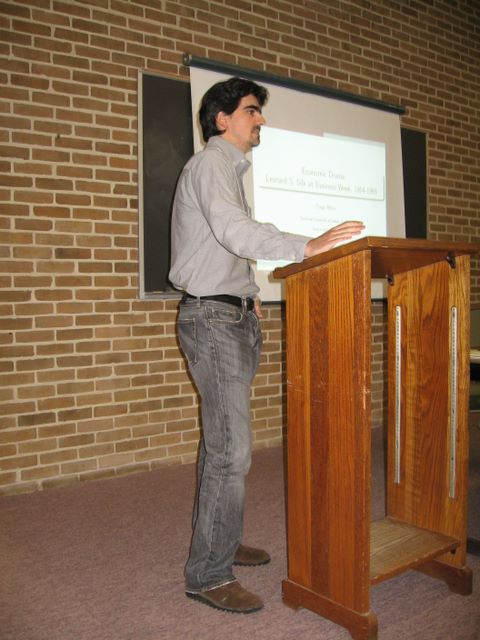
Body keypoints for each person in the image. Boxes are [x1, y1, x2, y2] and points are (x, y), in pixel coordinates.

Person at [169, 76, 364, 614]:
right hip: (212, 319)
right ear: (222, 119)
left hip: (231, 314)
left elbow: (225, 246)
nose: (261, 121)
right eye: (252, 111)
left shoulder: (229, 171)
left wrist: (249, 293)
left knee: (224, 445)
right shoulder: (210, 165)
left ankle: (223, 540)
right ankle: (208, 575)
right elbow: (235, 231)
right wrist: (306, 245)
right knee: (231, 450)